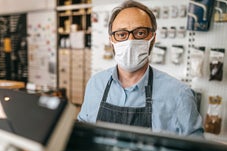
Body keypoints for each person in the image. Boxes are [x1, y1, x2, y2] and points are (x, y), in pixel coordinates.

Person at [77, 0, 204, 136]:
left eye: (140, 33)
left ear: (153, 38)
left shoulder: (179, 95)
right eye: (121, 34)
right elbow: (81, 133)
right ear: (111, 40)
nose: (130, 41)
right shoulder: (95, 84)